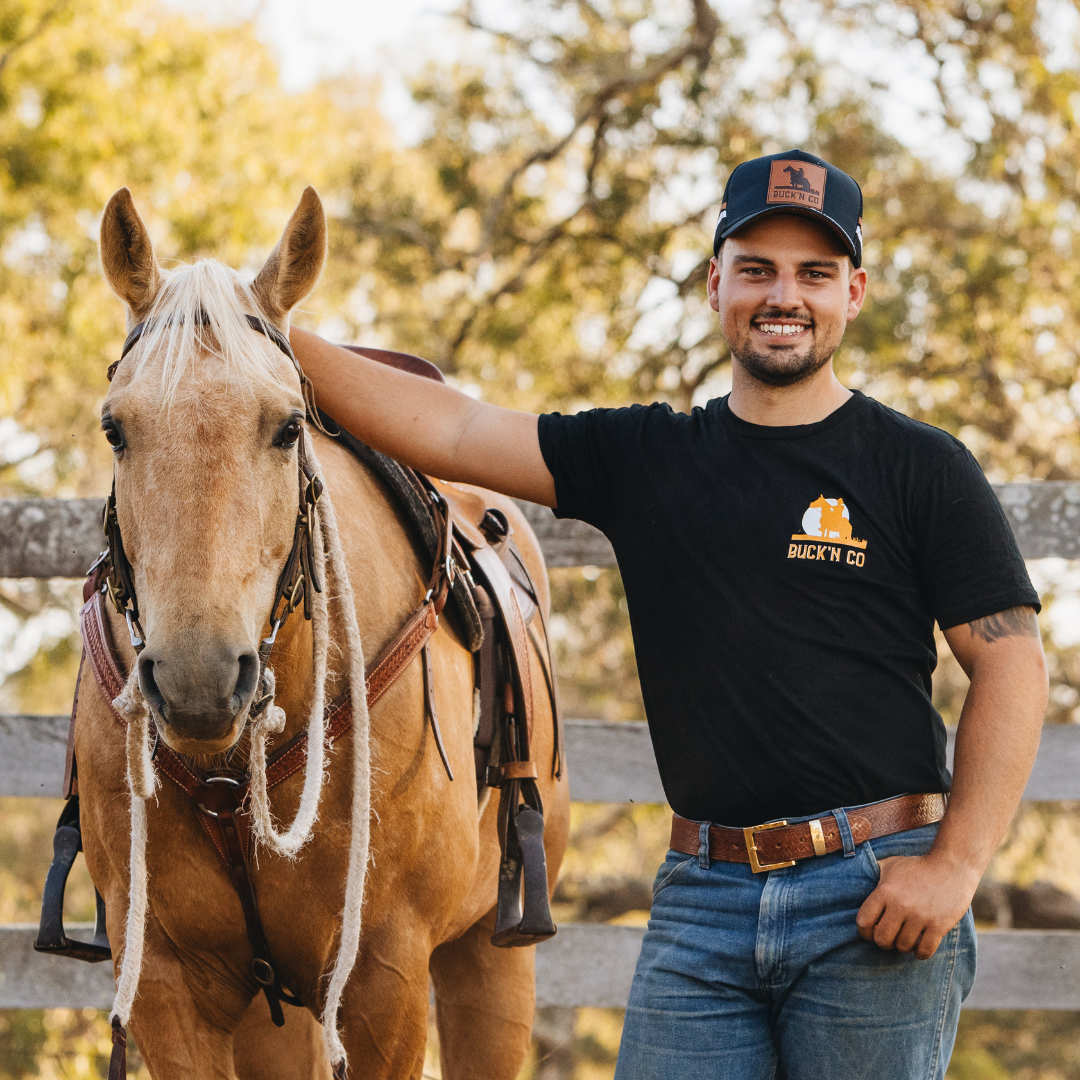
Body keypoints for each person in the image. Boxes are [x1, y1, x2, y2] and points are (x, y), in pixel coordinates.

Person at [289, 148, 1048, 1079]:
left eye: (814, 274)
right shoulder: (648, 458)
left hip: (874, 891)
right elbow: (453, 428)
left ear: (854, 292)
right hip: (703, 899)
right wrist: (263, 332)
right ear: (714, 283)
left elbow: (1012, 664)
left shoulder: (920, 467)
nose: (785, 296)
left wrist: (957, 865)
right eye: (757, 269)